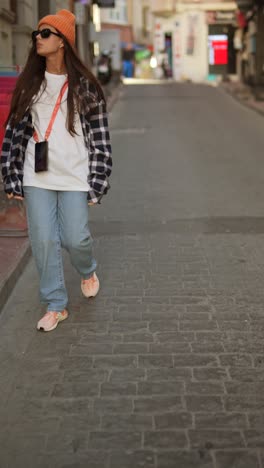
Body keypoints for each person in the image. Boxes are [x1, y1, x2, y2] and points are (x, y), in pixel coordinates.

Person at [0, 10, 112, 332]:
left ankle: (87, 269)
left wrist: (98, 179)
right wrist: (11, 175)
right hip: (37, 176)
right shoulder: (31, 84)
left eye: (46, 33)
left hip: (75, 175)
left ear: (62, 42)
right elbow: (14, 133)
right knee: (44, 241)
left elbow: (102, 139)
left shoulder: (85, 87)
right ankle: (56, 304)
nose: (38, 37)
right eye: (37, 32)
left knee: (76, 238)